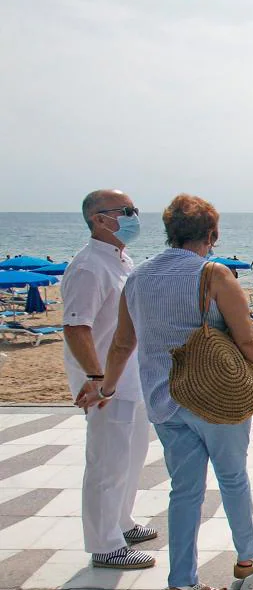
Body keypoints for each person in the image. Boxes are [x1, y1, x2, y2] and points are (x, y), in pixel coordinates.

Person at [76, 194, 253, 590]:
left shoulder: (139, 277)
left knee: (184, 492)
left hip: (164, 400)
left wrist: (106, 389)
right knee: (232, 477)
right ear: (212, 234)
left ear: (170, 232)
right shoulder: (215, 275)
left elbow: (122, 344)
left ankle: (181, 586)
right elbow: (248, 339)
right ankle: (248, 555)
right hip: (217, 396)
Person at [62, 189, 156, 570]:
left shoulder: (120, 260)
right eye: (127, 211)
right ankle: (104, 544)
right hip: (104, 382)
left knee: (131, 455)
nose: (135, 216)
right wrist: (96, 376)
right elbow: (75, 327)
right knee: (107, 460)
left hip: (130, 377)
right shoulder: (88, 267)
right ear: (100, 219)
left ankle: (121, 521)